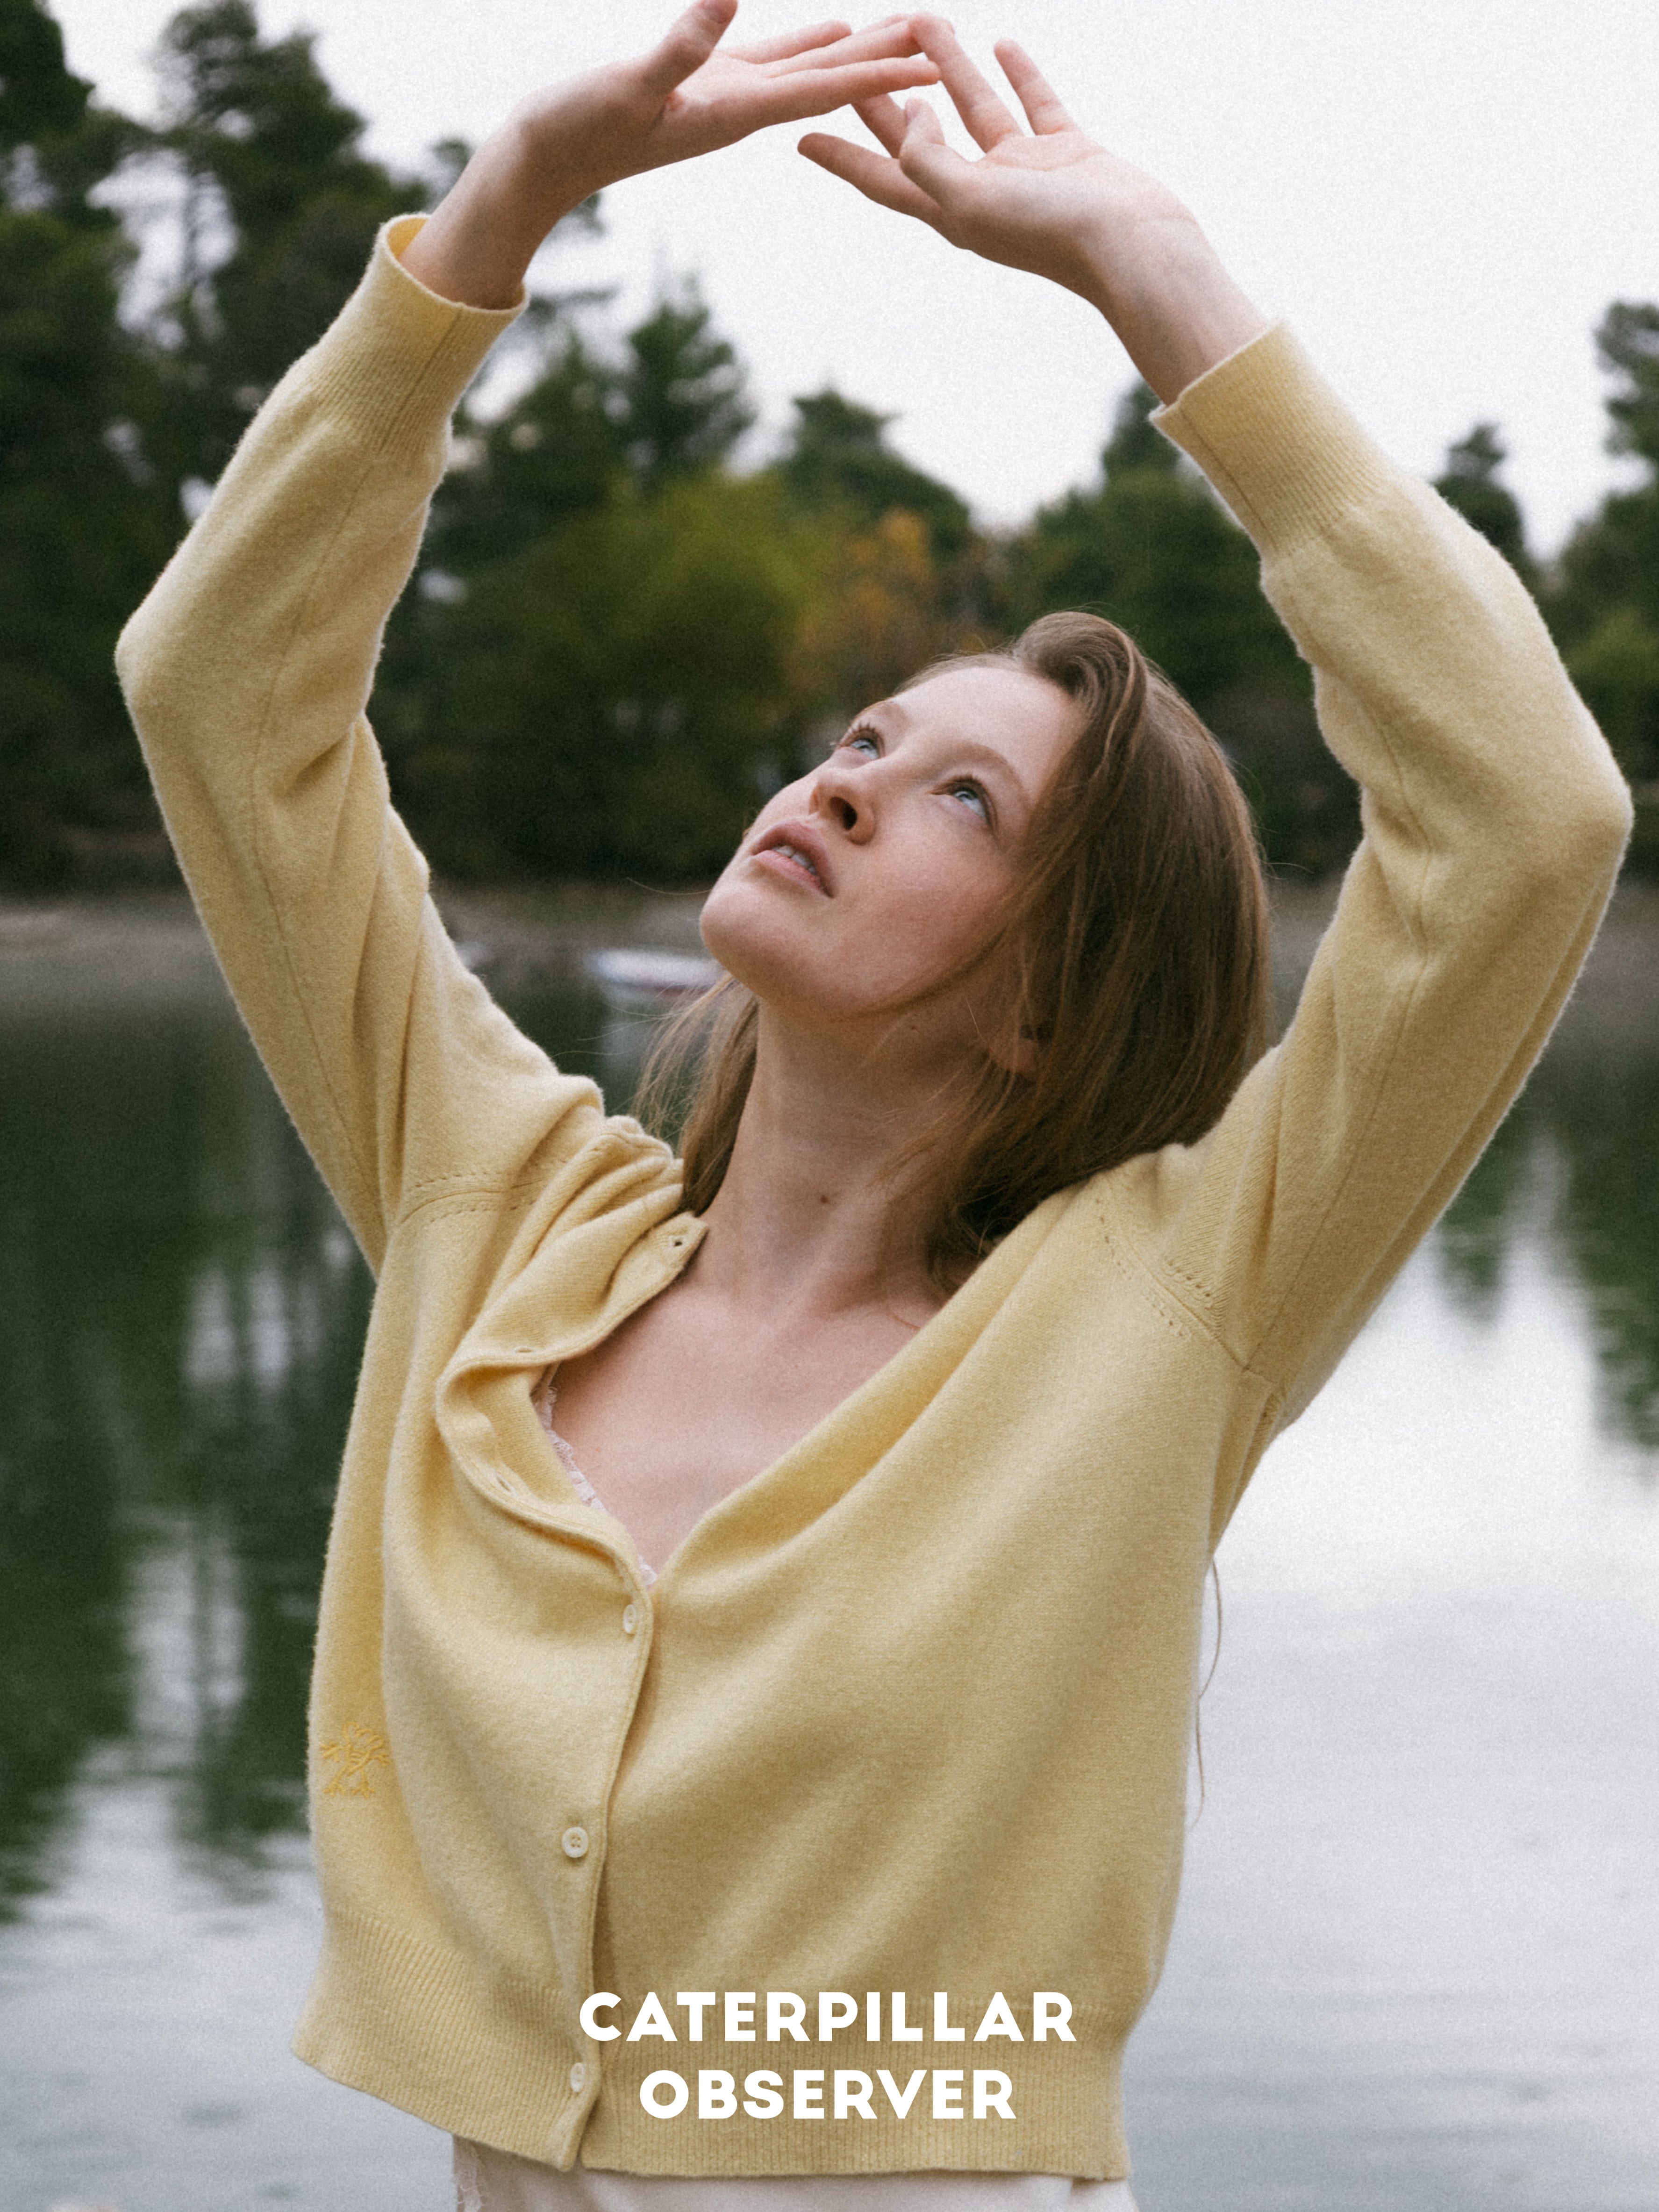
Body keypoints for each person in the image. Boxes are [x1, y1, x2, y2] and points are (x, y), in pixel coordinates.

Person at [115, 5, 1631, 2207]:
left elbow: (1525, 822)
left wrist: (1159, 280)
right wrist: (505, 206)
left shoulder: (1161, 1309)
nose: (838, 775)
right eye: (859, 730)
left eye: (958, 796)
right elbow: (219, 690)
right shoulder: (499, 1210)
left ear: (1050, 998)